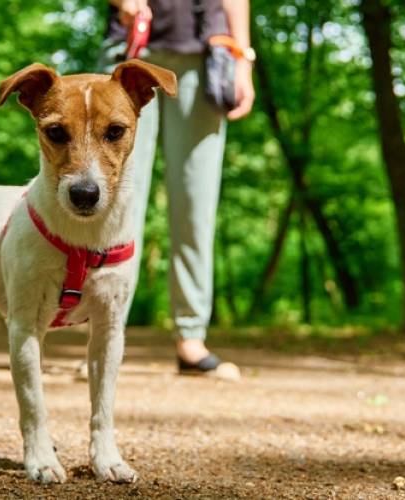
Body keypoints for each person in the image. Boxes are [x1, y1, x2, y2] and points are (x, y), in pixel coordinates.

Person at [103, 0, 256, 377]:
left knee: (195, 204)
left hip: (206, 56)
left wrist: (243, 59)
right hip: (132, 51)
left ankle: (191, 336)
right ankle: (105, 336)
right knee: (118, 201)